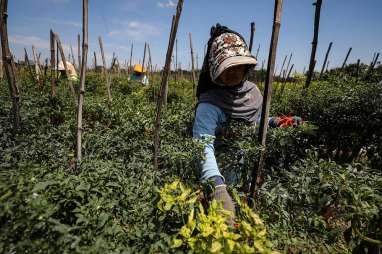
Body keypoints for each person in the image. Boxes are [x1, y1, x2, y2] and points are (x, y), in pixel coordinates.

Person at [193, 24, 301, 222]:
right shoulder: (209, 104)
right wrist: (216, 187)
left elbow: (253, 124)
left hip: (243, 168)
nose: (233, 72)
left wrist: (276, 122)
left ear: (247, 66)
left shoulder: (253, 93)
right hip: (215, 174)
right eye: (227, 67)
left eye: (237, 66)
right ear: (215, 70)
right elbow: (203, 145)